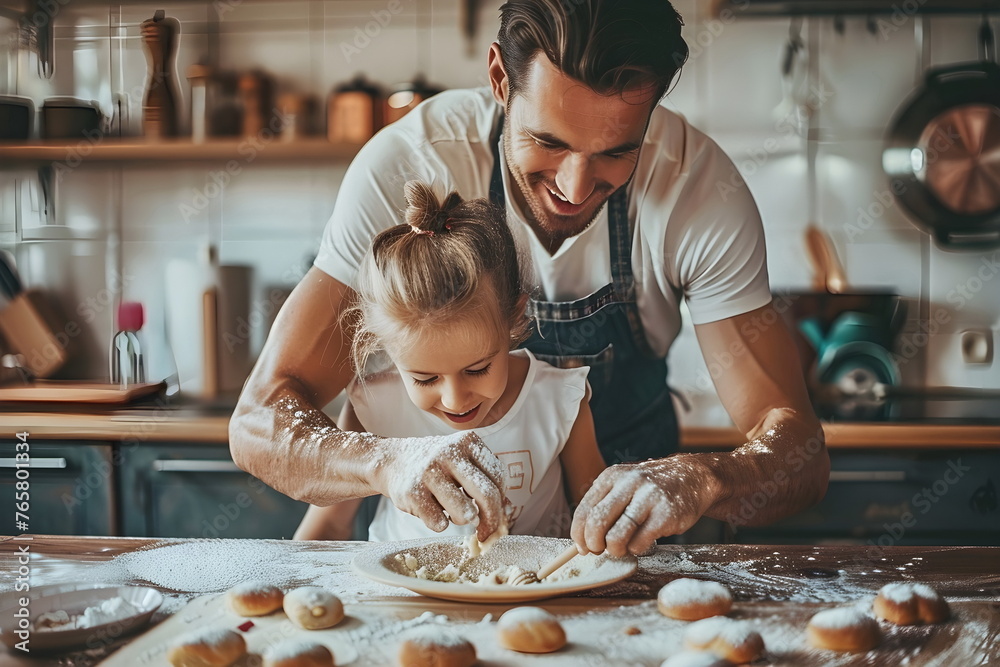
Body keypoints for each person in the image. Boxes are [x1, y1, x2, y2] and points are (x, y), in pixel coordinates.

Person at [230, 0, 830, 556]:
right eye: (548, 141)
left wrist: (703, 479)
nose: (574, 187)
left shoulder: (699, 191)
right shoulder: (409, 167)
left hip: (630, 549)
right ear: (498, 78)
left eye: (616, 152)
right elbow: (259, 421)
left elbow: (797, 450)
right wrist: (384, 464)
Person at [292, 181, 606, 541]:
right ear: (388, 350)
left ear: (513, 320)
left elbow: (595, 515)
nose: (456, 400)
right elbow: (327, 525)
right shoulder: (374, 407)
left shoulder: (560, 400)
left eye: (477, 369)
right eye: (425, 379)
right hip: (405, 595)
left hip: (533, 595)